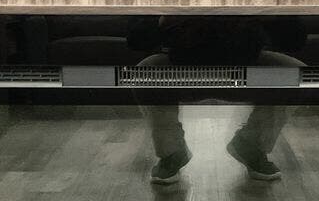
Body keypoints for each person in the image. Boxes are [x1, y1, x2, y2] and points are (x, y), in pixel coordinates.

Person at [128, 16, 305, 184]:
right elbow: (135, 41)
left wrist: (273, 16)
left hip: (243, 68)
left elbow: (296, 40)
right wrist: (161, 21)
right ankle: (171, 152)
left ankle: (251, 146)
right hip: (186, 69)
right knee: (144, 72)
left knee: (300, 74)